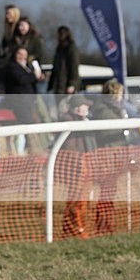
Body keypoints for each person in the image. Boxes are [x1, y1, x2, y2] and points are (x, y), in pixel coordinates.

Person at [89, 79, 130, 235]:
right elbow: (108, 133)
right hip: (107, 155)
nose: (121, 97)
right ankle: (103, 225)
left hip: (115, 153)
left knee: (109, 192)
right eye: (120, 93)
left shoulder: (116, 109)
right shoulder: (104, 111)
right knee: (106, 193)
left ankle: (106, 224)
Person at [59, 94, 96, 238]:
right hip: (77, 167)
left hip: (84, 166)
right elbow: (71, 148)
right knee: (77, 200)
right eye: (84, 105)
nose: (87, 107)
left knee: (80, 200)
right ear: (76, 108)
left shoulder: (83, 121)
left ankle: (72, 229)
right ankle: (75, 229)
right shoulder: (69, 123)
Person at [48, 25, 81, 117]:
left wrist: (72, 83)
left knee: (67, 108)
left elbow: (74, 66)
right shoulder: (59, 49)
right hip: (58, 86)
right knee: (60, 109)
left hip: (66, 84)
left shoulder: (71, 48)